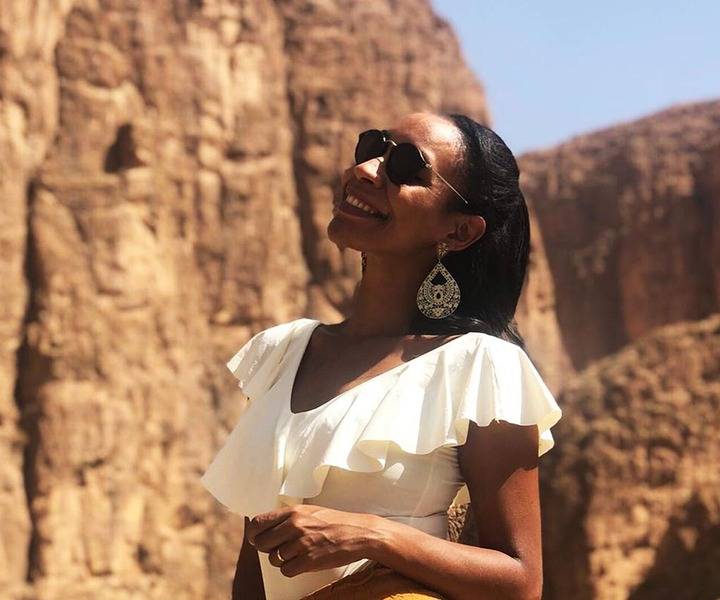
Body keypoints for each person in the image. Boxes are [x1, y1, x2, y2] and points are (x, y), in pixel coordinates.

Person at [200, 112, 563, 600]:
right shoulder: (282, 353)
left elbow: (521, 581)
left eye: (407, 167)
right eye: (372, 146)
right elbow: (254, 568)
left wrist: (373, 536)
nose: (366, 170)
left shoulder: (481, 366)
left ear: (459, 232)